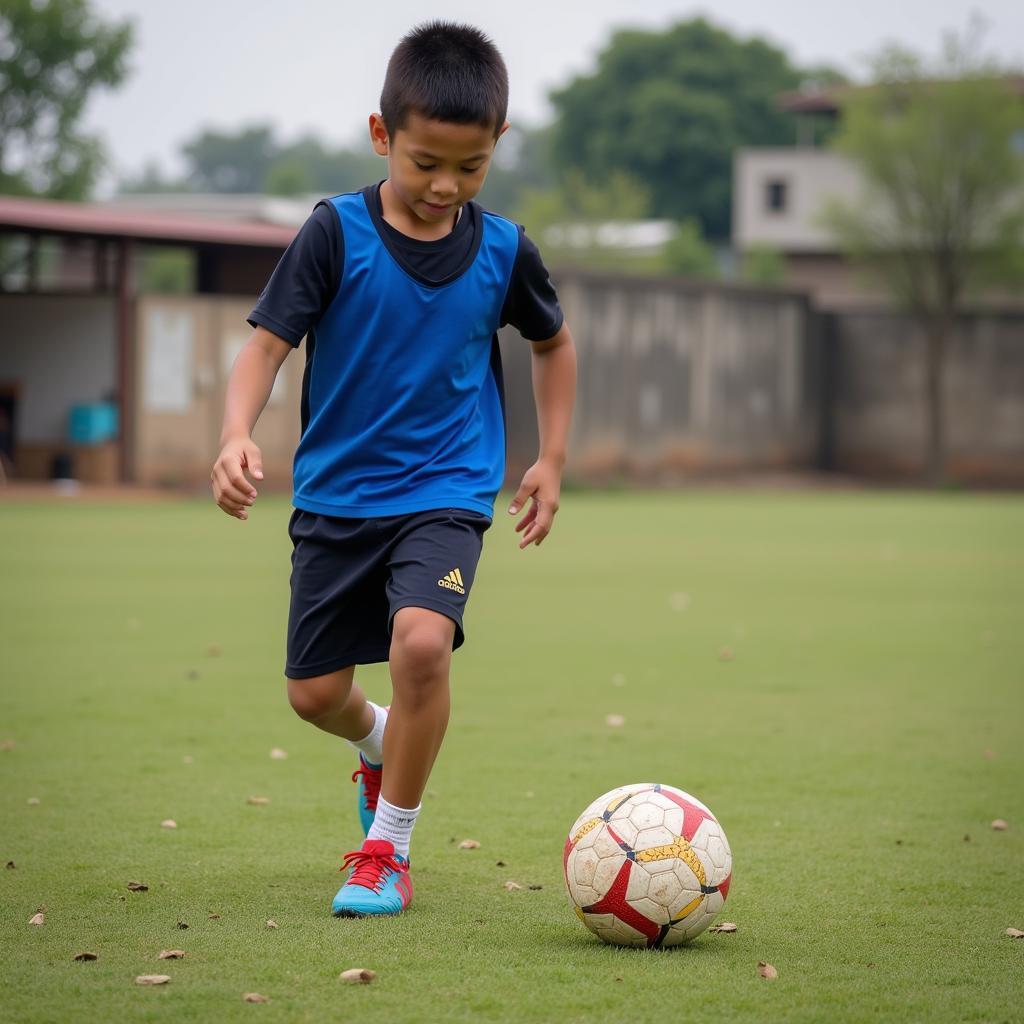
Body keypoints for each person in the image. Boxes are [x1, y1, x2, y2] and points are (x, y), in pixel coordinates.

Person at [211, 20, 576, 918]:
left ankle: (389, 849)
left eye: (471, 167)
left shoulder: (503, 251)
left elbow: (554, 345)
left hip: (447, 490)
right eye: (425, 164)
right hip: (336, 497)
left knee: (421, 641)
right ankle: (377, 745)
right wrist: (233, 434)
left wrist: (551, 457)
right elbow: (265, 348)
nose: (445, 187)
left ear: (495, 150)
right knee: (313, 694)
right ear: (382, 136)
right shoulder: (334, 233)